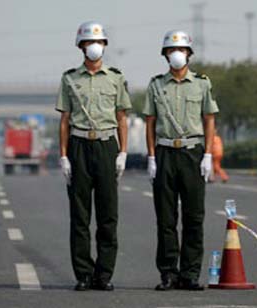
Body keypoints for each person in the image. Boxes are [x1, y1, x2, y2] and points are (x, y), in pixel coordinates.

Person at [56, 21, 132, 291]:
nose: (94, 47)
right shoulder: (69, 79)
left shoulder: (116, 77)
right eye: (89, 43)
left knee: (108, 214)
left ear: (105, 46)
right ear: (81, 47)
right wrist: (64, 155)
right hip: (78, 145)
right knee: (80, 215)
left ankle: (104, 274)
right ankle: (84, 274)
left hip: (106, 145)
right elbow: (64, 120)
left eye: (98, 42)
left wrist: (122, 152)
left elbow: (122, 118)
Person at [143, 30, 219, 291]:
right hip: (164, 153)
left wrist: (208, 154)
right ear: (165, 54)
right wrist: (151, 157)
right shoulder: (156, 85)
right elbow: (150, 123)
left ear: (189, 53)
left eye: (181, 49)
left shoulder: (202, 84)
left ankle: (190, 274)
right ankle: (168, 273)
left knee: (194, 217)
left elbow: (209, 119)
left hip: (192, 153)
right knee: (165, 219)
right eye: (172, 50)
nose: (177, 54)